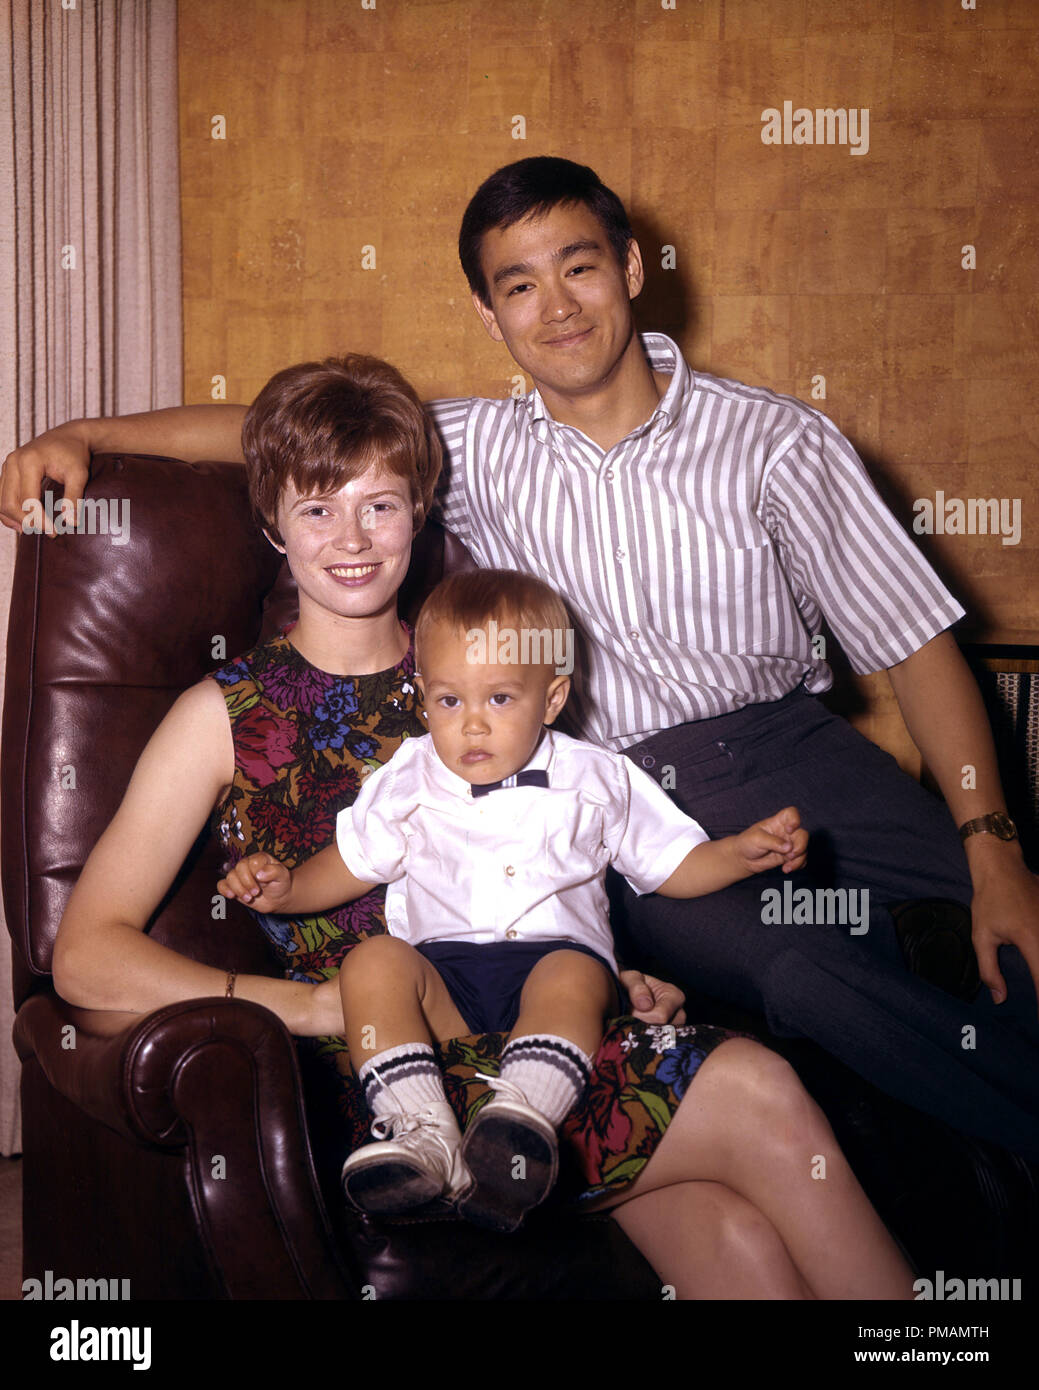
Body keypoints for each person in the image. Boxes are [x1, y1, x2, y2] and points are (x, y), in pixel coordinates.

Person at [8, 155, 1038, 1159]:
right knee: (805, 969)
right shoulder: (470, 449)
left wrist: (989, 841)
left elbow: (913, 638)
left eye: (578, 265)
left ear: (630, 268)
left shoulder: (777, 440)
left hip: (796, 751)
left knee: (1018, 923)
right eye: (518, 283)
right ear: (487, 313)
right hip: (617, 788)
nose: (557, 305)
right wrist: (84, 433)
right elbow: (279, 437)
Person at [48, 352, 915, 1298]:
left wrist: (598, 979)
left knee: (736, 1239)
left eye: (379, 504)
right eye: (316, 509)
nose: (352, 537)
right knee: (761, 1094)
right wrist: (301, 1007)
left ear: (421, 511)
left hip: (541, 1040)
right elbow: (86, 958)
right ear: (272, 523)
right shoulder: (226, 714)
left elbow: (561, 848)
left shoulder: (493, 674)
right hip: (387, 1071)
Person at [218, 566, 809, 1232]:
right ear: (423, 698)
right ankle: (420, 1132)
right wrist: (288, 888)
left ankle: (519, 1122)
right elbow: (352, 864)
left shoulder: (598, 776)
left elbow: (670, 864)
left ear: (551, 698)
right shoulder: (409, 774)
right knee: (371, 962)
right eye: (448, 702)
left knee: (576, 971)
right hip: (441, 985)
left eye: (498, 699)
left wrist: (737, 853)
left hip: (551, 978)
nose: (471, 726)